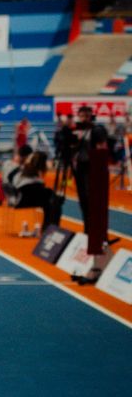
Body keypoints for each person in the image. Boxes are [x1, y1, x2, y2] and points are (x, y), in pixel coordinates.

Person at [71, 105, 113, 284]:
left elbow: (102, 147)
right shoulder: (77, 131)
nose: (84, 117)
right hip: (81, 171)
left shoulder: (97, 130)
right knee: (85, 206)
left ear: (91, 115)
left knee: (95, 207)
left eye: (86, 114)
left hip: (93, 171)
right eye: (81, 114)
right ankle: (88, 232)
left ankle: (99, 238)